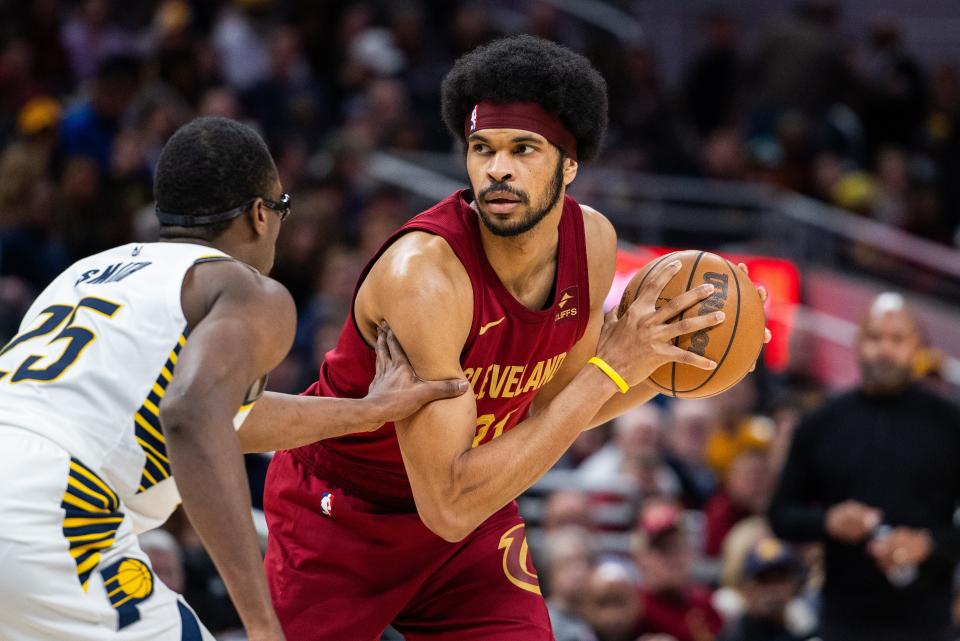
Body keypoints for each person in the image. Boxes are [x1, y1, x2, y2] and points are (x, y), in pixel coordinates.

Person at [264, 35, 766, 640]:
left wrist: (678, 354)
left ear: (569, 164)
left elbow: (561, 408)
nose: (497, 169)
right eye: (482, 149)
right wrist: (614, 370)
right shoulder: (424, 278)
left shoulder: (594, 243)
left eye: (523, 149)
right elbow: (446, 502)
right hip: (345, 514)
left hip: (472, 507)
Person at [0, 116, 467, 641]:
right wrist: (262, 621)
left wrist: (372, 410)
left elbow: (224, 417)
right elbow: (191, 415)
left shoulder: (85, 274)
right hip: (54, 507)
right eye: (283, 208)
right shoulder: (248, 292)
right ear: (259, 214)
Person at [768, 292, 960, 641]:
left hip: (929, 622)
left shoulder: (951, 423)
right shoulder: (820, 424)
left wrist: (930, 543)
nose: (885, 350)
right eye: (874, 338)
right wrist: (827, 521)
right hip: (844, 620)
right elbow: (780, 515)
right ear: (857, 343)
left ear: (916, 346)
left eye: (897, 339)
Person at [717, 538, 810, 641]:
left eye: (780, 579)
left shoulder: (806, 630)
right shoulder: (734, 636)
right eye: (764, 580)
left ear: (793, 585)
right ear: (746, 588)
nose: (774, 589)